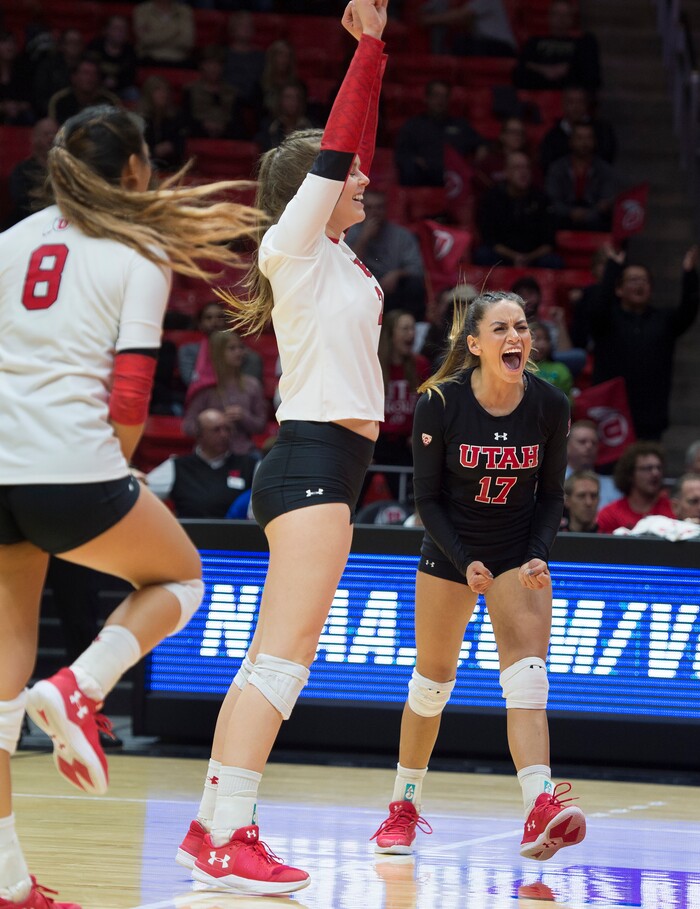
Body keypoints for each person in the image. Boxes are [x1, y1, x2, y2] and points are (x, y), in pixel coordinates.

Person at [0, 105, 259, 908]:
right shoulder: (138, 248)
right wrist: (116, 470)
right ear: (139, 170)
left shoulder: (8, 242)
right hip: (73, 462)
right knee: (181, 578)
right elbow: (133, 392)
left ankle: (9, 883)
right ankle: (81, 685)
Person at [174, 0, 389, 894]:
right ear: (317, 187)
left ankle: (216, 827)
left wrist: (378, 60)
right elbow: (339, 147)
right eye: (351, 178)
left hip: (325, 466)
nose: (366, 181)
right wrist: (367, 53)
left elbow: (351, 150)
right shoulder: (292, 245)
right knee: (283, 659)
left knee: (274, 654)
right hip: (309, 464)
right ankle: (227, 832)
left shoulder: (335, 251)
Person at [370, 290, 585, 863]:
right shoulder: (439, 403)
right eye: (500, 329)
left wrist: (539, 552)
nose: (515, 336)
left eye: (521, 326)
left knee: (529, 682)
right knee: (432, 685)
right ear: (474, 344)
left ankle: (539, 805)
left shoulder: (549, 404)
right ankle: (403, 807)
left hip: (517, 554)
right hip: (451, 552)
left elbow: (553, 496)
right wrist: (465, 560)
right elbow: (427, 499)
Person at [590, 246, 699, 440]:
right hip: (611, 416)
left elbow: (688, 310)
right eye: (633, 280)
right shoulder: (606, 320)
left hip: (651, 416)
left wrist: (690, 273)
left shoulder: (664, 320)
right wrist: (613, 268)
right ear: (619, 288)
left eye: (644, 280)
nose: (639, 284)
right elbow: (599, 307)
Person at [147, 409, 257, 517]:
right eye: (216, 430)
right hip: (190, 533)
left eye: (227, 429)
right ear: (200, 435)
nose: (224, 435)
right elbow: (142, 492)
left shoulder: (250, 465)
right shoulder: (177, 466)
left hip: (238, 533)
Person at [373, 310, 431, 500]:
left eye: (413, 329)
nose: (411, 334)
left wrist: (418, 432)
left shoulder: (421, 365)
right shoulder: (374, 365)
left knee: (409, 495)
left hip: (406, 443)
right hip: (376, 441)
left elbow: (429, 407)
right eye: (405, 329)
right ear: (390, 334)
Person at [344, 188, 427, 321]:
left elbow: (417, 269)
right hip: (363, 288)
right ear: (362, 208)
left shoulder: (401, 235)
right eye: (370, 208)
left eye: (379, 207)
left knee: (414, 285)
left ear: (386, 209)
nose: (374, 213)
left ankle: (413, 328)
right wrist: (364, 238)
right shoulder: (351, 233)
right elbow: (346, 268)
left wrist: (397, 274)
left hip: (393, 290)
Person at [182, 330, 268, 456]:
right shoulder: (205, 386)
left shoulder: (252, 385)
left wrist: (244, 417)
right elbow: (188, 426)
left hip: (243, 453)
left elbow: (261, 426)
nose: (239, 352)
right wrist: (213, 423)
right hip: (210, 455)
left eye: (241, 347)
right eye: (232, 348)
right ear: (218, 353)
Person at [473, 151, 563, 269]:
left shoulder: (542, 199)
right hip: (503, 255)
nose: (523, 172)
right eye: (517, 168)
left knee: (553, 261)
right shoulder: (492, 198)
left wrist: (528, 258)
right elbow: (489, 239)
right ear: (506, 172)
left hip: (533, 256)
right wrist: (514, 256)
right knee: (483, 255)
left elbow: (549, 242)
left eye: (526, 167)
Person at [395, 79, 486, 187]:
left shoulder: (460, 125)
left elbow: (481, 143)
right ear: (426, 98)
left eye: (444, 96)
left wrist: (481, 152)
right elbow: (402, 154)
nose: (440, 100)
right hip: (424, 178)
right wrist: (416, 160)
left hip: (456, 178)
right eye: (436, 96)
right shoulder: (413, 125)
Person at [512, 0, 601, 93]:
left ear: (572, 19)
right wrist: (544, 69)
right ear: (549, 17)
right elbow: (520, 68)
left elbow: (591, 77)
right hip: (538, 93)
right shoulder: (534, 42)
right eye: (557, 14)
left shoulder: (583, 43)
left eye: (565, 15)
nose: (561, 19)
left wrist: (568, 68)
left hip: (572, 96)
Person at [545, 122, 617, 232]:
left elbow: (606, 200)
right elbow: (552, 199)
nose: (584, 143)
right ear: (571, 141)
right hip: (564, 218)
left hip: (595, 220)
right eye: (579, 138)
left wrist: (587, 214)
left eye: (588, 138)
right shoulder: (557, 168)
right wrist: (570, 212)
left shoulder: (604, 170)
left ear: (595, 142)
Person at [511, 275, 586, 377]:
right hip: (517, 361)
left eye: (530, 294)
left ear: (539, 296)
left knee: (579, 356)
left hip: (547, 361)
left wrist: (560, 322)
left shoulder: (548, 326)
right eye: (521, 295)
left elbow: (566, 353)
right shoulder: (509, 326)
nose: (526, 299)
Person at [596, 441, 675, 534]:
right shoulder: (610, 514)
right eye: (648, 468)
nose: (655, 473)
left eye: (659, 468)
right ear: (630, 474)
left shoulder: (673, 509)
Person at [539, 85, 617, 173]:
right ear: (563, 104)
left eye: (580, 102)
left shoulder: (603, 131)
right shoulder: (552, 136)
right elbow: (548, 165)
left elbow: (607, 159)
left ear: (586, 104)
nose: (576, 107)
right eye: (571, 102)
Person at [5, 117, 58, 228]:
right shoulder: (22, 169)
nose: (52, 138)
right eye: (46, 134)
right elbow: (20, 200)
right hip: (29, 222)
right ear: (35, 138)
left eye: (55, 133)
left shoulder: (66, 167)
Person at [418, 0, 517, 57]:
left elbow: (460, 15)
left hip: (501, 47)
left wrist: (428, 20)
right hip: (487, 44)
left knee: (461, 42)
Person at [137, 74, 188, 173]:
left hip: (171, 167)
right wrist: (154, 151)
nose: (163, 94)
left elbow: (181, 144)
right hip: (145, 168)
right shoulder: (140, 119)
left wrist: (171, 147)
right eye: (158, 91)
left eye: (165, 90)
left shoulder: (175, 117)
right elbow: (135, 149)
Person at [47, 58, 121, 125]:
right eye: (86, 73)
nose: (90, 78)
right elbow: (55, 128)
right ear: (74, 77)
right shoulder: (60, 100)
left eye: (94, 74)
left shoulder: (110, 101)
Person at [564, 419, 617, 508]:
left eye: (594, 443)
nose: (589, 446)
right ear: (567, 446)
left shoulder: (612, 486)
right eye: (582, 442)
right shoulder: (552, 481)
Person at [85, 15, 138, 102]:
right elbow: (88, 68)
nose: (120, 32)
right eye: (116, 28)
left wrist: (116, 82)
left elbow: (130, 76)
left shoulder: (130, 51)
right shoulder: (95, 46)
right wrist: (102, 81)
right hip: (96, 85)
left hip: (121, 88)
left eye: (123, 29)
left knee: (133, 92)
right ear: (106, 30)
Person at [132, 0, 195, 66]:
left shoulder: (185, 11)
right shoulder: (142, 10)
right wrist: (175, 32)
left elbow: (187, 41)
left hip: (179, 58)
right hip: (149, 57)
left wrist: (155, 34)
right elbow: (144, 39)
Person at [529, 321, 573, 400]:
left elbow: (568, 401)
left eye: (546, 339)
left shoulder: (560, 369)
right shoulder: (517, 368)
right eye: (536, 339)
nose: (542, 344)